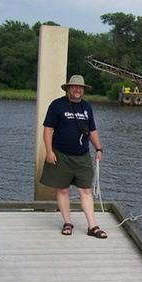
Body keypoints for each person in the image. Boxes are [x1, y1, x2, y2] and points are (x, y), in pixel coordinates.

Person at [40, 74, 107, 238]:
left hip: (82, 156)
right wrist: (49, 151)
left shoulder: (87, 107)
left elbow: (92, 131)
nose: (77, 90)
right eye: (74, 87)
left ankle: (92, 226)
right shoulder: (57, 105)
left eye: (80, 88)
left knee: (85, 190)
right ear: (68, 89)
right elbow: (48, 129)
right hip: (61, 155)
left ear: (83, 90)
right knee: (62, 190)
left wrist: (98, 148)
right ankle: (67, 223)